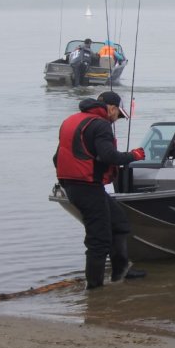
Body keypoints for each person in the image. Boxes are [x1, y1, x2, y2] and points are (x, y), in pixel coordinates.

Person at [54, 91, 147, 289]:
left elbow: (57, 157)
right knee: (99, 238)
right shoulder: (101, 124)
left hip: (73, 185)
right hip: (86, 186)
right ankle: (94, 289)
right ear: (111, 108)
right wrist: (134, 155)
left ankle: (121, 271)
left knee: (119, 221)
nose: (117, 119)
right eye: (119, 115)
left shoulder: (70, 120)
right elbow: (109, 156)